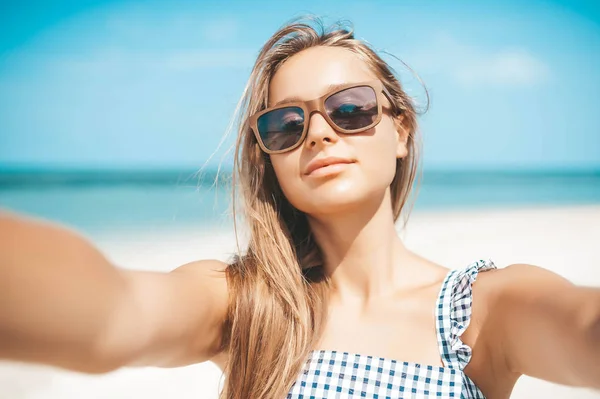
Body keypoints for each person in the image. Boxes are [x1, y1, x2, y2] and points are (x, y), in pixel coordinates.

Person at [0, 17, 599, 399]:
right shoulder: (247, 303)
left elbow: (582, 329)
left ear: (401, 131)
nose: (318, 133)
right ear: (269, 158)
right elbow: (112, 313)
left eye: (350, 108)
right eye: (285, 123)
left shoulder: (482, 313)